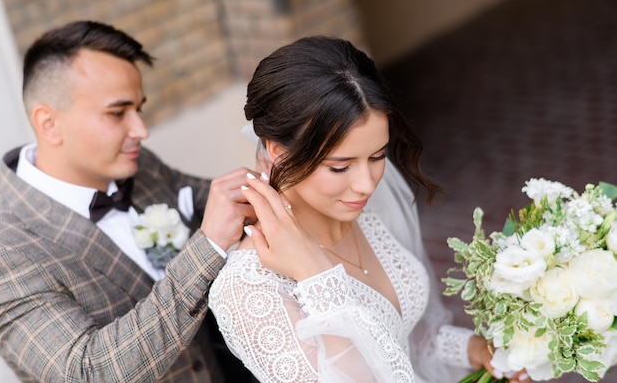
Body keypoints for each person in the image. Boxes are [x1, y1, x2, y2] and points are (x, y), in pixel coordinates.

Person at [208, 36, 530, 383]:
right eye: (340, 166)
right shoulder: (247, 289)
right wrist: (315, 276)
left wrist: (472, 349)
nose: (367, 184)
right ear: (277, 151)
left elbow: (407, 337)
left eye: (377, 157)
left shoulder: (367, 214)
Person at [0, 20, 259, 383]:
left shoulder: (136, 163)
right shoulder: (2, 250)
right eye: (117, 113)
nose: (141, 131)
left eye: (139, 108)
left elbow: (212, 203)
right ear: (49, 123)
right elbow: (89, 372)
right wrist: (208, 245)